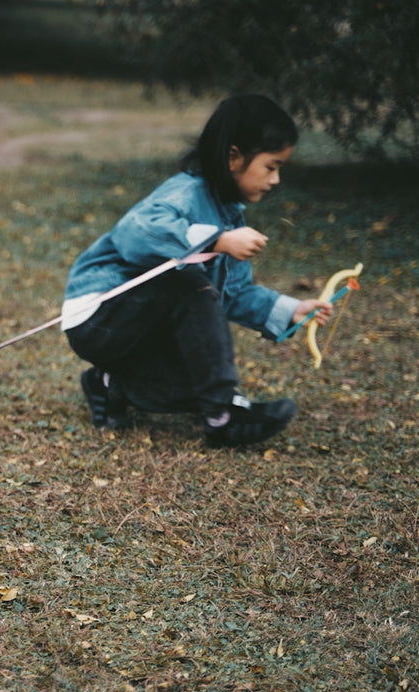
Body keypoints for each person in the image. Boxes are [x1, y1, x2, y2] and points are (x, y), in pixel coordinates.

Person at [62, 94, 332, 448]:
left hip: (139, 329)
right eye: (271, 166)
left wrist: (289, 309)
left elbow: (233, 294)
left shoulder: (229, 214)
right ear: (234, 157)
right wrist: (216, 240)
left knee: (198, 377)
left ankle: (110, 385)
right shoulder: (186, 194)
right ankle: (223, 417)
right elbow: (136, 232)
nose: (276, 179)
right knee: (189, 285)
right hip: (99, 315)